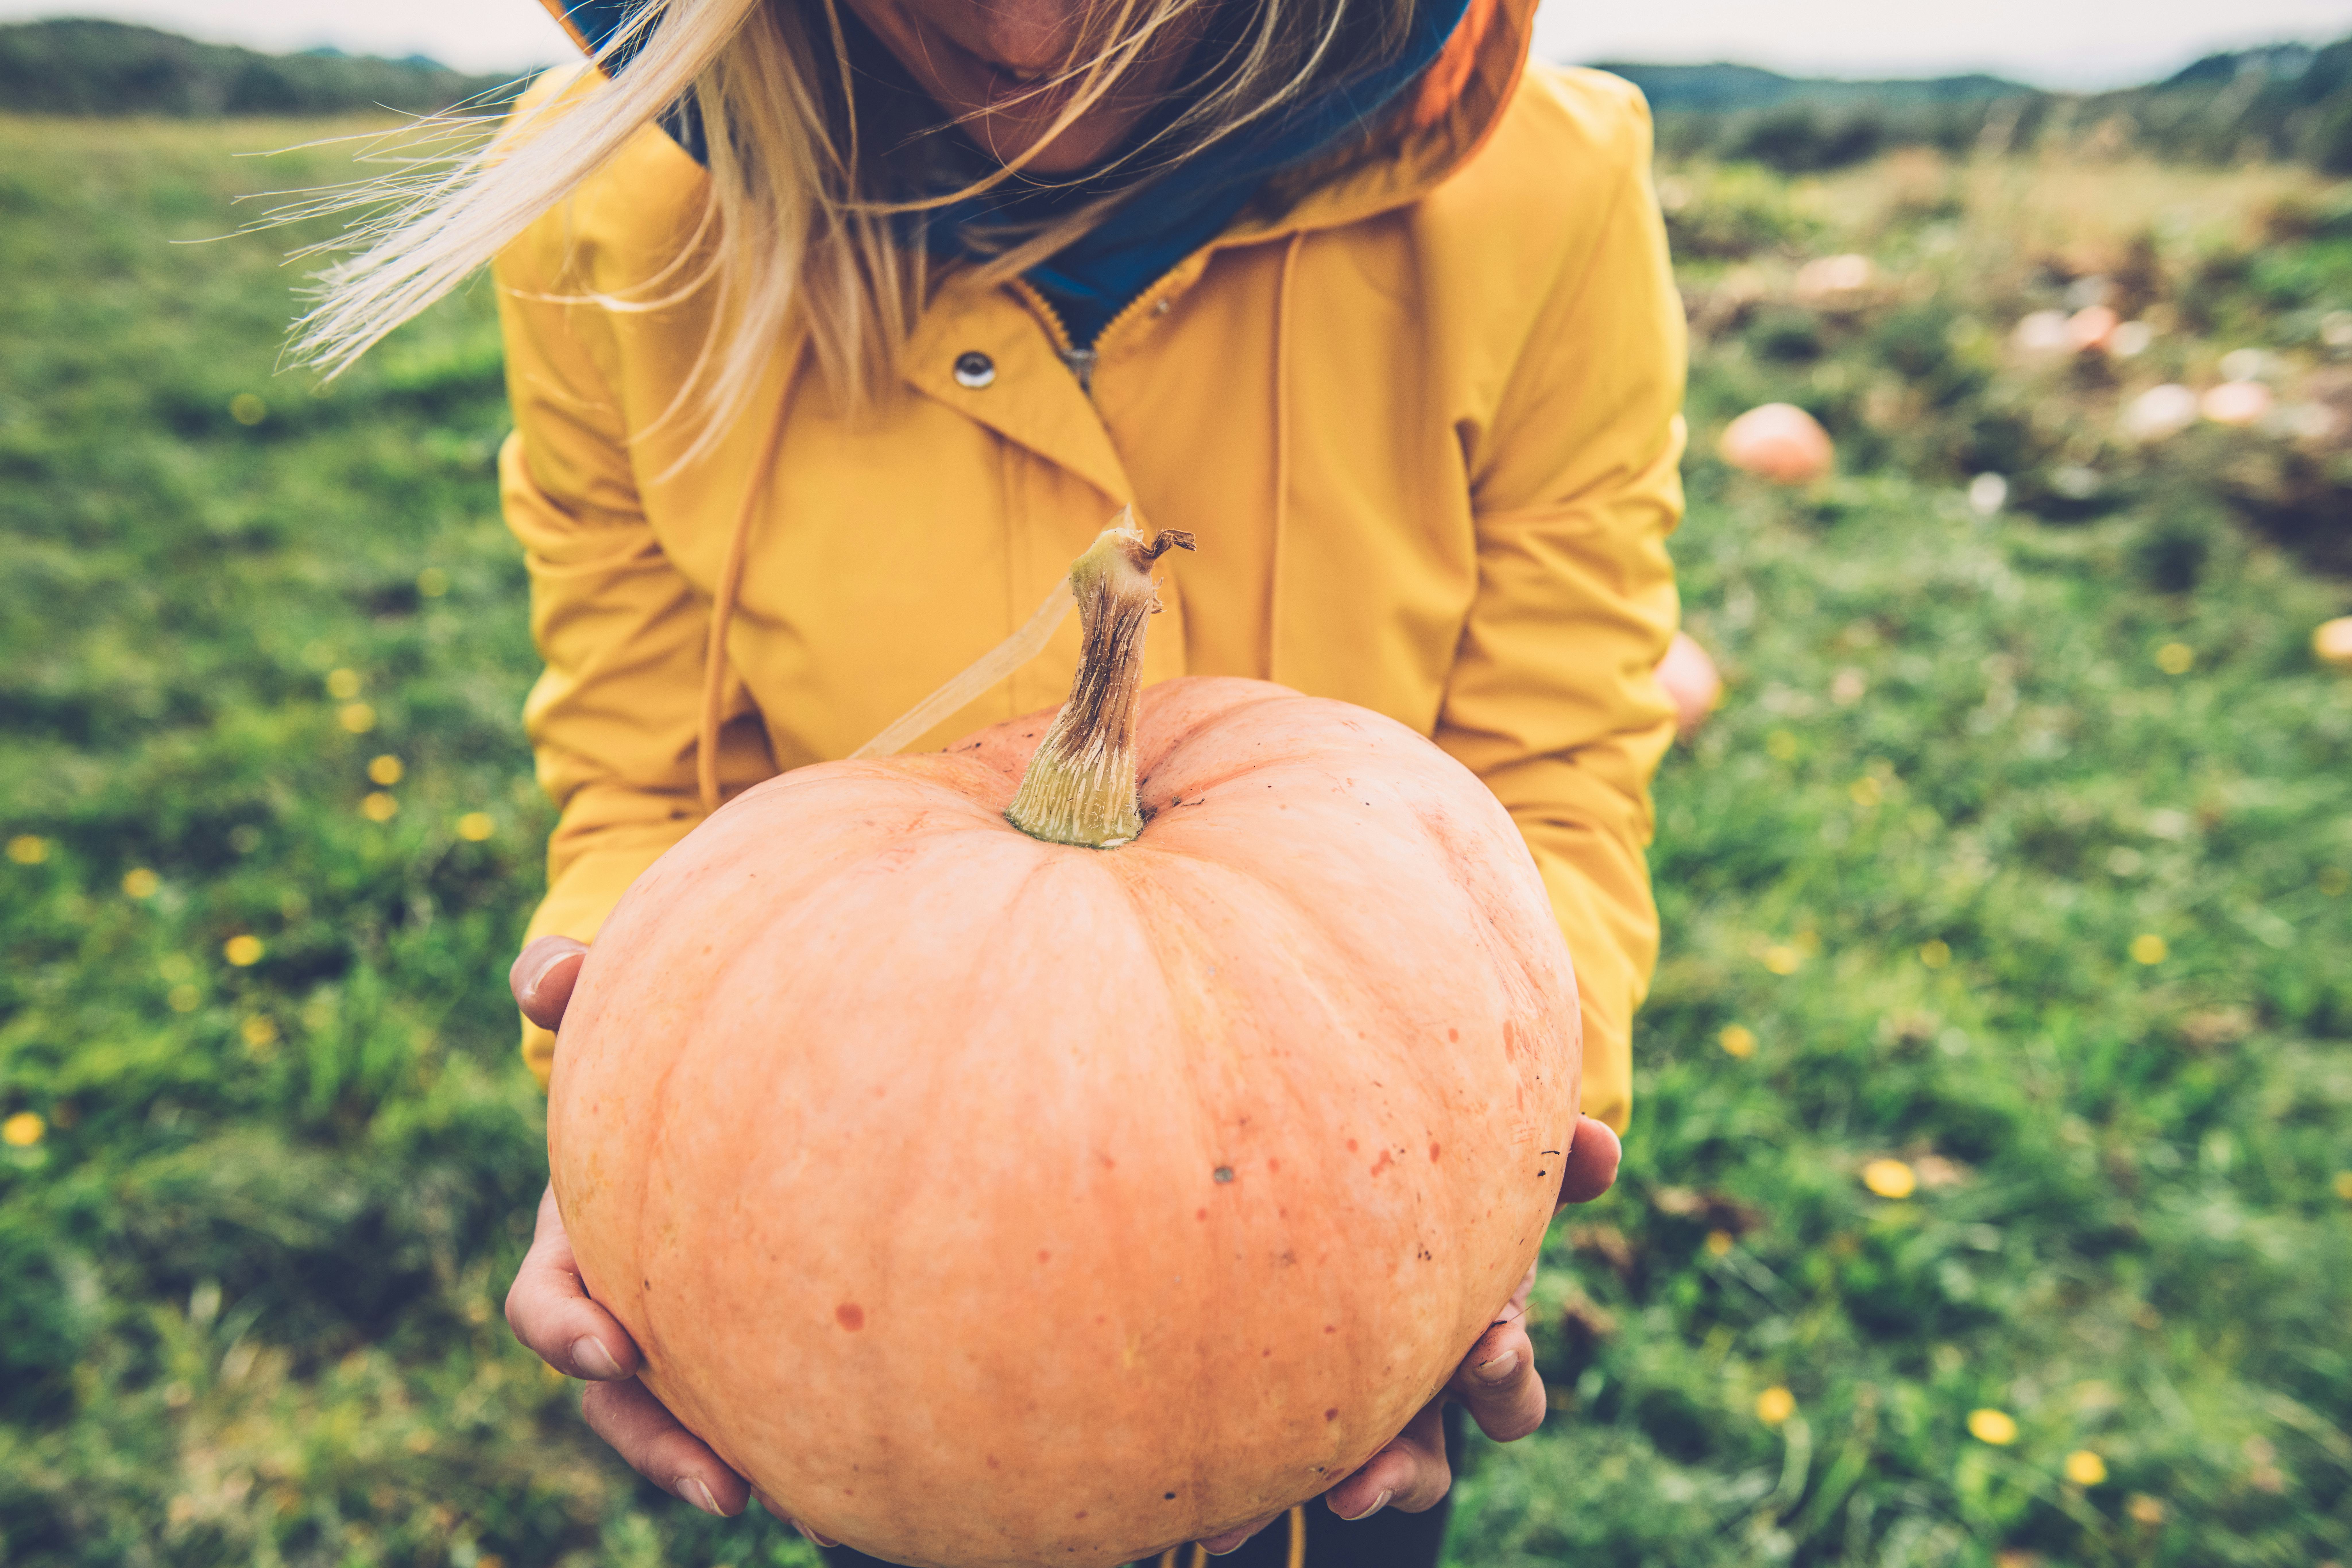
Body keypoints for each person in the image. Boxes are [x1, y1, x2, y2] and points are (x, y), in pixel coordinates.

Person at [308, 0, 1683, 1556]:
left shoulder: (1545, 186)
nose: (1032, 38)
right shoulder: (608, 199)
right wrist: (636, 1127)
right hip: (873, 1285)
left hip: (1359, 1297)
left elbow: (1556, 766)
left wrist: (1486, 1152)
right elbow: (649, 776)